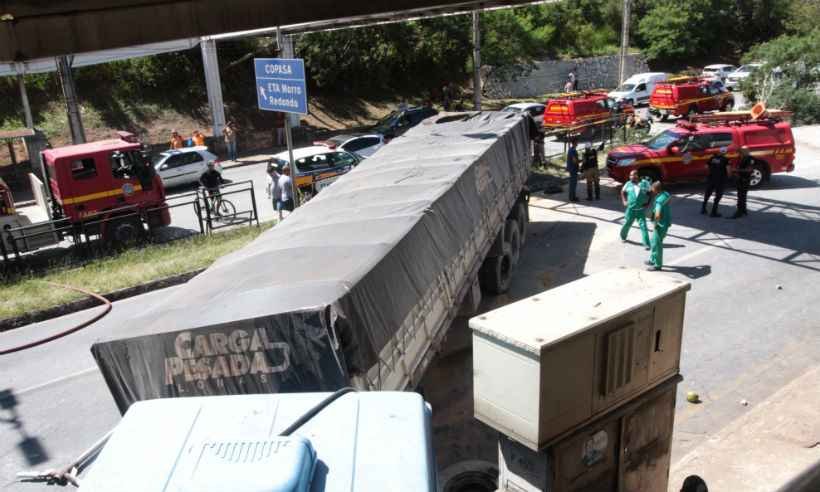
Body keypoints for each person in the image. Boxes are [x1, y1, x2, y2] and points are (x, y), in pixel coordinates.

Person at [620, 170, 652, 249]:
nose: (631, 177)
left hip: (640, 210)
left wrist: (648, 203)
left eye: (633, 175)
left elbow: (650, 192)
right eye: (630, 175)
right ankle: (623, 236)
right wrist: (624, 201)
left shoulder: (645, 183)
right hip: (630, 210)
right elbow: (622, 191)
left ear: (637, 176)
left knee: (644, 227)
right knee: (627, 224)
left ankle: (646, 243)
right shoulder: (628, 184)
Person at [646, 181, 671, 271]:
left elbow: (657, 215)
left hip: (660, 225)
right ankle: (652, 259)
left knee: (657, 244)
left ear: (656, 190)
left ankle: (657, 265)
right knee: (653, 241)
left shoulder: (658, 201)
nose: (651, 190)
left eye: (652, 188)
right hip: (666, 222)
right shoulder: (666, 194)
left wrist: (655, 224)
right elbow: (669, 199)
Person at [702, 147, 731, 217]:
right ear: (725, 152)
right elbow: (728, 170)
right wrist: (730, 177)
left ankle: (703, 209)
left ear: (719, 151)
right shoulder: (726, 159)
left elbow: (706, 167)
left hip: (711, 178)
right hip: (720, 180)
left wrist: (712, 171)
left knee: (707, 194)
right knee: (718, 196)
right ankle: (713, 212)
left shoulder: (712, 158)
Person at [733, 146, 753, 218]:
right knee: (742, 195)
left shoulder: (750, 159)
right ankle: (744, 210)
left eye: (742, 151)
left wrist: (737, 170)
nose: (741, 152)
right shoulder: (743, 158)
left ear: (747, 151)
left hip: (745, 180)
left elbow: (749, 169)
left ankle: (739, 212)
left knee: (741, 196)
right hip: (741, 179)